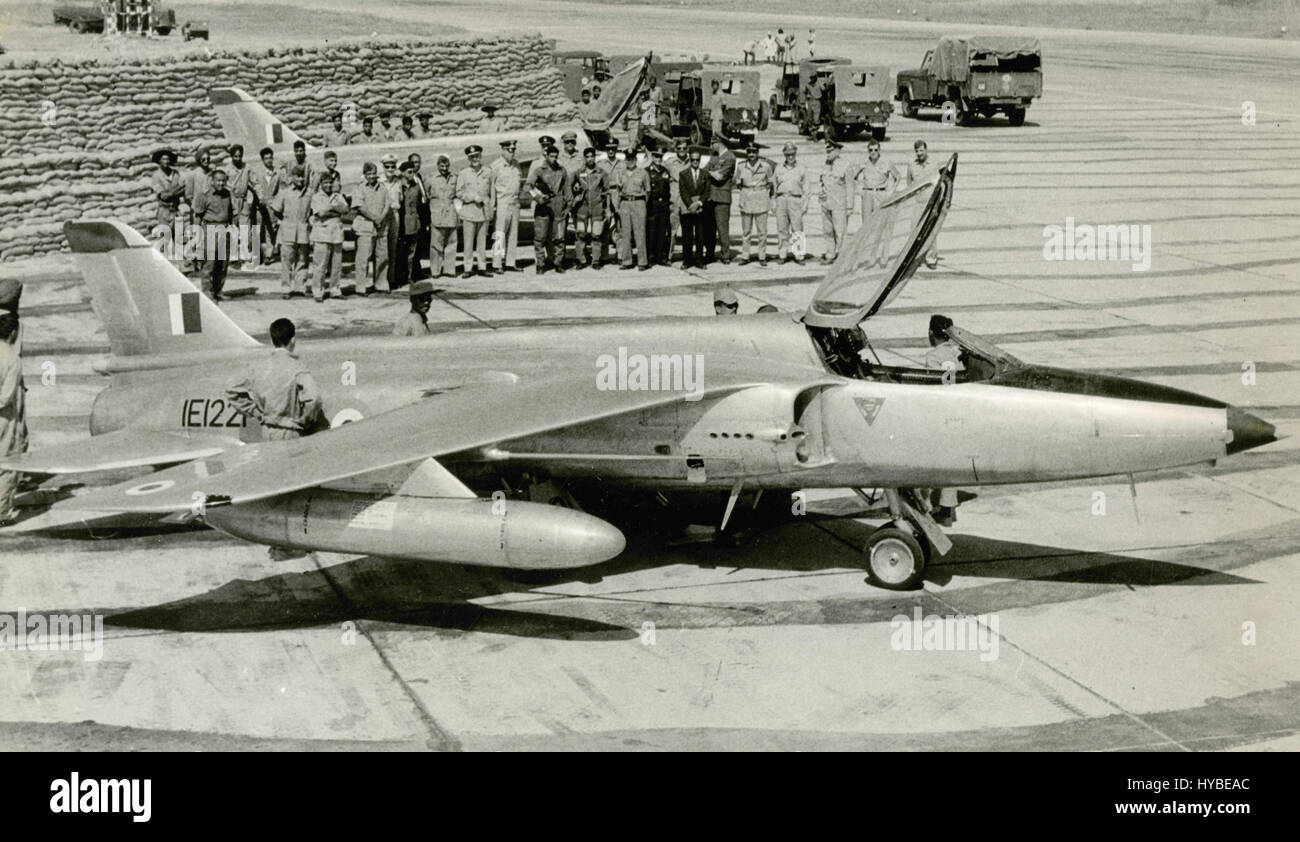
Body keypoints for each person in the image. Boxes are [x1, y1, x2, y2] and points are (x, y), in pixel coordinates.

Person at [226, 317, 321, 441]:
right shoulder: (297, 367)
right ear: (293, 340)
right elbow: (314, 399)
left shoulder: (259, 367)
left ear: (273, 340)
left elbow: (231, 388)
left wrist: (255, 412)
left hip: (266, 432)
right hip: (290, 433)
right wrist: (305, 421)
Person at [924, 315, 963, 525]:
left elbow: (932, 385)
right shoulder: (956, 354)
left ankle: (930, 506)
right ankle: (949, 506)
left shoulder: (933, 356)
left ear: (932, 333)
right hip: (957, 409)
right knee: (951, 458)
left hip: (941, 411)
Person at [0, 303, 27, 526]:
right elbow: (6, 396)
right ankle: (1, 513)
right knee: (6, 464)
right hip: (3, 418)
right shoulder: (12, 358)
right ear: (13, 333)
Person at [192, 168, 234, 301]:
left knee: (222, 264)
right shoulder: (204, 195)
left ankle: (218, 291)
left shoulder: (227, 194)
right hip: (210, 230)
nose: (221, 183)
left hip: (224, 230)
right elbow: (198, 216)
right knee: (209, 264)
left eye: (223, 181)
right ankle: (207, 293)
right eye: (218, 180)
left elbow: (231, 213)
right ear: (212, 181)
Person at [527, 143, 570, 274]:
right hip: (543, 207)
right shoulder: (540, 171)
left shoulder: (562, 171)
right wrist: (538, 197)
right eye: (551, 156)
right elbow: (528, 186)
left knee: (559, 237)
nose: (554, 159)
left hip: (558, 206)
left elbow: (567, 190)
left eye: (556, 157)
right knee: (540, 237)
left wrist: (568, 207)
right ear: (546, 156)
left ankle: (558, 263)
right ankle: (540, 264)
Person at [270, 165, 312, 298]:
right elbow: (276, 209)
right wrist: (285, 221)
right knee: (287, 260)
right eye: (297, 176)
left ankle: (300, 286)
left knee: (302, 260)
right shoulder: (284, 192)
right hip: (288, 231)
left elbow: (312, 211)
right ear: (292, 178)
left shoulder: (309, 193)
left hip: (303, 231)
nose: (300, 179)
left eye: (302, 176)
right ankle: (286, 288)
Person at [308, 171, 348, 302]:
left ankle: (335, 290)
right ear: (320, 184)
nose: (328, 185)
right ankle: (317, 291)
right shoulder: (316, 197)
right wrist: (335, 210)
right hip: (322, 234)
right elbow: (321, 213)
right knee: (320, 264)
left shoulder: (338, 195)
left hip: (336, 233)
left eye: (330, 182)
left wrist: (332, 210)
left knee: (337, 264)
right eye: (325, 183)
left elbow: (346, 210)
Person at [352, 161, 391, 294]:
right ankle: (360, 286)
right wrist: (374, 218)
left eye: (374, 173)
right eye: (369, 174)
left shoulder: (383, 188)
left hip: (381, 227)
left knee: (382, 257)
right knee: (363, 258)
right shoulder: (359, 188)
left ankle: (380, 283)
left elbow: (387, 204)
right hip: (365, 227)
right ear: (364, 175)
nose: (372, 176)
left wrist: (381, 217)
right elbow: (359, 207)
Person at [456, 144, 494, 277]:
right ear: (468, 158)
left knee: (482, 242)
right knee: (468, 242)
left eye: (477, 156)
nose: (475, 159)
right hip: (469, 212)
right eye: (472, 157)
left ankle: (482, 266)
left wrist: (490, 209)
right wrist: (472, 197)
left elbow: (492, 192)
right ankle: (468, 267)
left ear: (481, 156)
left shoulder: (488, 172)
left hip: (483, 212)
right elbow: (459, 193)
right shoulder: (463, 173)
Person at [613, 145, 650, 270]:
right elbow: (617, 191)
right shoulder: (620, 173)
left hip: (638, 203)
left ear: (636, 159)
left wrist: (642, 205)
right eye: (628, 159)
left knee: (640, 233)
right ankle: (627, 261)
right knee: (625, 233)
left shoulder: (643, 172)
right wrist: (618, 206)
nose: (630, 161)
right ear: (625, 160)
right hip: (624, 204)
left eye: (632, 158)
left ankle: (642, 262)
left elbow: (648, 191)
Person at [735, 143, 773, 265]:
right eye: (749, 152)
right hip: (746, 199)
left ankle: (762, 256)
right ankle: (745, 256)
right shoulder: (741, 166)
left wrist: (766, 195)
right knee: (746, 231)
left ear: (758, 153)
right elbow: (738, 183)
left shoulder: (766, 166)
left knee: (762, 232)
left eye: (754, 152)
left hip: (761, 199)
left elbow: (770, 183)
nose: (751, 154)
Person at [489, 139, 523, 272]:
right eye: (509, 150)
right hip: (502, 203)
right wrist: (493, 205)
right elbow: (491, 187)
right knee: (499, 235)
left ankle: (510, 262)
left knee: (513, 234)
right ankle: (496, 264)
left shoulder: (516, 164)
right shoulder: (496, 166)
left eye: (514, 150)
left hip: (515, 203)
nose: (512, 152)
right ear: (503, 150)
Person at [818, 139, 854, 263]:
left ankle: (843, 258)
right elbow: (822, 182)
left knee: (840, 232)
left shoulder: (846, 165)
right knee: (828, 231)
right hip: (826, 203)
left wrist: (850, 206)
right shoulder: (825, 164)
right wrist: (820, 194)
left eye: (830, 150)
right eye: (827, 150)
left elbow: (850, 186)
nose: (827, 153)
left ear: (838, 151)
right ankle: (830, 254)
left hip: (839, 204)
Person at [571, 147, 607, 268]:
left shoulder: (601, 172)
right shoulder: (577, 172)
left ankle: (596, 260)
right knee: (580, 234)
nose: (590, 159)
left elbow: (608, 190)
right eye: (587, 157)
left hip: (597, 207)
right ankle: (581, 260)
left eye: (592, 156)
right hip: (582, 207)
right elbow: (568, 187)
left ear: (595, 157)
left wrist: (606, 206)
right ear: (584, 158)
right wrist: (575, 198)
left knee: (596, 234)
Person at [907, 140, 942, 268]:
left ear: (926, 150)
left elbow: (939, 184)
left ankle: (931, 258)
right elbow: (909, 185)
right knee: (914, 230)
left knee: (930, 229)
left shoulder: (933, 164)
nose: (919, 153)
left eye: (921, 150)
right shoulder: (911, 165)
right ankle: (913, 258)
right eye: (917, 151)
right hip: (918, 202)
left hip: (930, 202)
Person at [773, 141, 809, 264]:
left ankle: (799, 255)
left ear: (796, 153)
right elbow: (774, 187)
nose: (790, 157)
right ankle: (782, 254)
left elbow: (807, 189)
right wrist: (774, 203)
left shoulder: (802, 168)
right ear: (784, 154)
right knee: (782, 229)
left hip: (795, 200)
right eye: (788, 154)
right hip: (781, 200)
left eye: (792, 154)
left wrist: (805, 204)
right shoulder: (778, 168)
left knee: (797, 228)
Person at [425, 154, 459, 278]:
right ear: (437, 166)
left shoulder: (454, 177)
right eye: (441, 166)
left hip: (451, 214)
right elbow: (426, 195)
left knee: (452, 243)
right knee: (436, 244)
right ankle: (435, 270)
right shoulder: (431, 178)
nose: (444, 168)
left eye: (446, 166)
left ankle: (449, 270)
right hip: (437, 215)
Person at [704, 138, 736, 265]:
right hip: (711, 197)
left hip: (722, 198)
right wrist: (711, 172)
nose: (711, 146)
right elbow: (705, 171)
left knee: (722, 228)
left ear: (719, 143)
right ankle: (709, 253)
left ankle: (725, 255)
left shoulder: (730, 157)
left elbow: (720, 176)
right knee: (710, 228)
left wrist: (709, 172)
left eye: (713, 143)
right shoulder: (714, 157)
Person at [249, 146, 281, 265]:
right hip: (260, 205)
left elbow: (280, 189)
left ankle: (269, 254)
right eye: (266, 158)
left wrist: (276, 203)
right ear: (262, 160)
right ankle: (256, 255)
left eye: (270, 158)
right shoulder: (257, 172)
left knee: (271, 229)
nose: (269, 160)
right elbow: (254, 185)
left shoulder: (277, 173)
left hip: (272, 204)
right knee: (257, 229)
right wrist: (259, 198)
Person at [678, 147, 709, 269]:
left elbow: (707, 191)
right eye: (693, 160)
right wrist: (691, 205)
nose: (695, 162)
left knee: (700, 236)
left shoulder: (704, 174)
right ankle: (687, 260)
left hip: (700, 208)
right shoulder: (683, 174)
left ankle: (699, 260)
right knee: (687, 236)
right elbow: (683, 191)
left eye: (697, 160)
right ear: (690, 160)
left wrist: (699, 203)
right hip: (688, 208)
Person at [395, 161, 423, 286]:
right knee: (400, 252)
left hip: (414, 223)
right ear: (402, 173)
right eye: (409, 172)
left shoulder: (416, 186)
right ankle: (399, 277)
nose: (412, 174)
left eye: (413, 172)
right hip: (402, 224)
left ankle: (410, 276)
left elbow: (420, 205)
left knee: (412, 252)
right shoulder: (398, 186)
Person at [663, 137, 690, 262]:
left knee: (687, 231)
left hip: (687, 202)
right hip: (674, 201)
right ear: (676, 149)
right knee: (672, 230)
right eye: (679, 148)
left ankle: (687, 257)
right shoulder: (670, 162)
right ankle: (669, 256)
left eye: (684, 148)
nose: (682, 150)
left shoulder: (692, 161)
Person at [646, 149, 672, 265]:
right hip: (652, 205)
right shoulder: (647, 172)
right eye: (656, 157)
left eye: (660, 157)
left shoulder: (665, 171)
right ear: (652, 157)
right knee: (651, 232)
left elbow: (668, 188)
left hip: (664, 206)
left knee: (662, 232)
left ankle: (661, 257)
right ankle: (650, 256)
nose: (658, 159)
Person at [381, 153, 403, 288]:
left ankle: (391, 278)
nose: (390, 169)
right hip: (383, 216)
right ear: (383, 167)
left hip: (395, 215)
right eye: (387, 166)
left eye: (392, 166)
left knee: (393, 248)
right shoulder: (379, 182)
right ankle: (381, 280)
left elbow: (400, 199)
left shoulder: (398, 182)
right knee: (382, 249)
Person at [858, 138, 894, 217]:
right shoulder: (864, 162)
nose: (873, 152)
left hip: (880, 194)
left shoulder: (886, 162)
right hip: (867, 194)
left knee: (879, 220)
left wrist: (890, 192)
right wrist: (859, 189)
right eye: (871, 150)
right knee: (866, 222)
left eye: (875, 150)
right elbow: (853, 177)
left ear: (879, 150)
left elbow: (897, 177)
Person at [407, 153, 430, 279]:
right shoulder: (409, 178)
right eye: (414, 162)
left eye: (419, 162)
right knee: (412, 246)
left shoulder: (419, 176)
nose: (417, 165)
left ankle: (417, 270)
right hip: (413, 216)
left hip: (422, 216)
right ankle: (412, 273)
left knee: (420, 244)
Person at [150, 148, 184, 231]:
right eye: (163, 159)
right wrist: (177, 190)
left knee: (179, 239)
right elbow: (164, 196)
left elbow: (184, 189)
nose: (166, 161)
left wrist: (171, 193)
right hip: (164, 212)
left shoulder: (175, 174)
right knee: (166, 239)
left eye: (168, 159)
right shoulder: (156, 176)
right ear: (159, 161)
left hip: (175, 210)